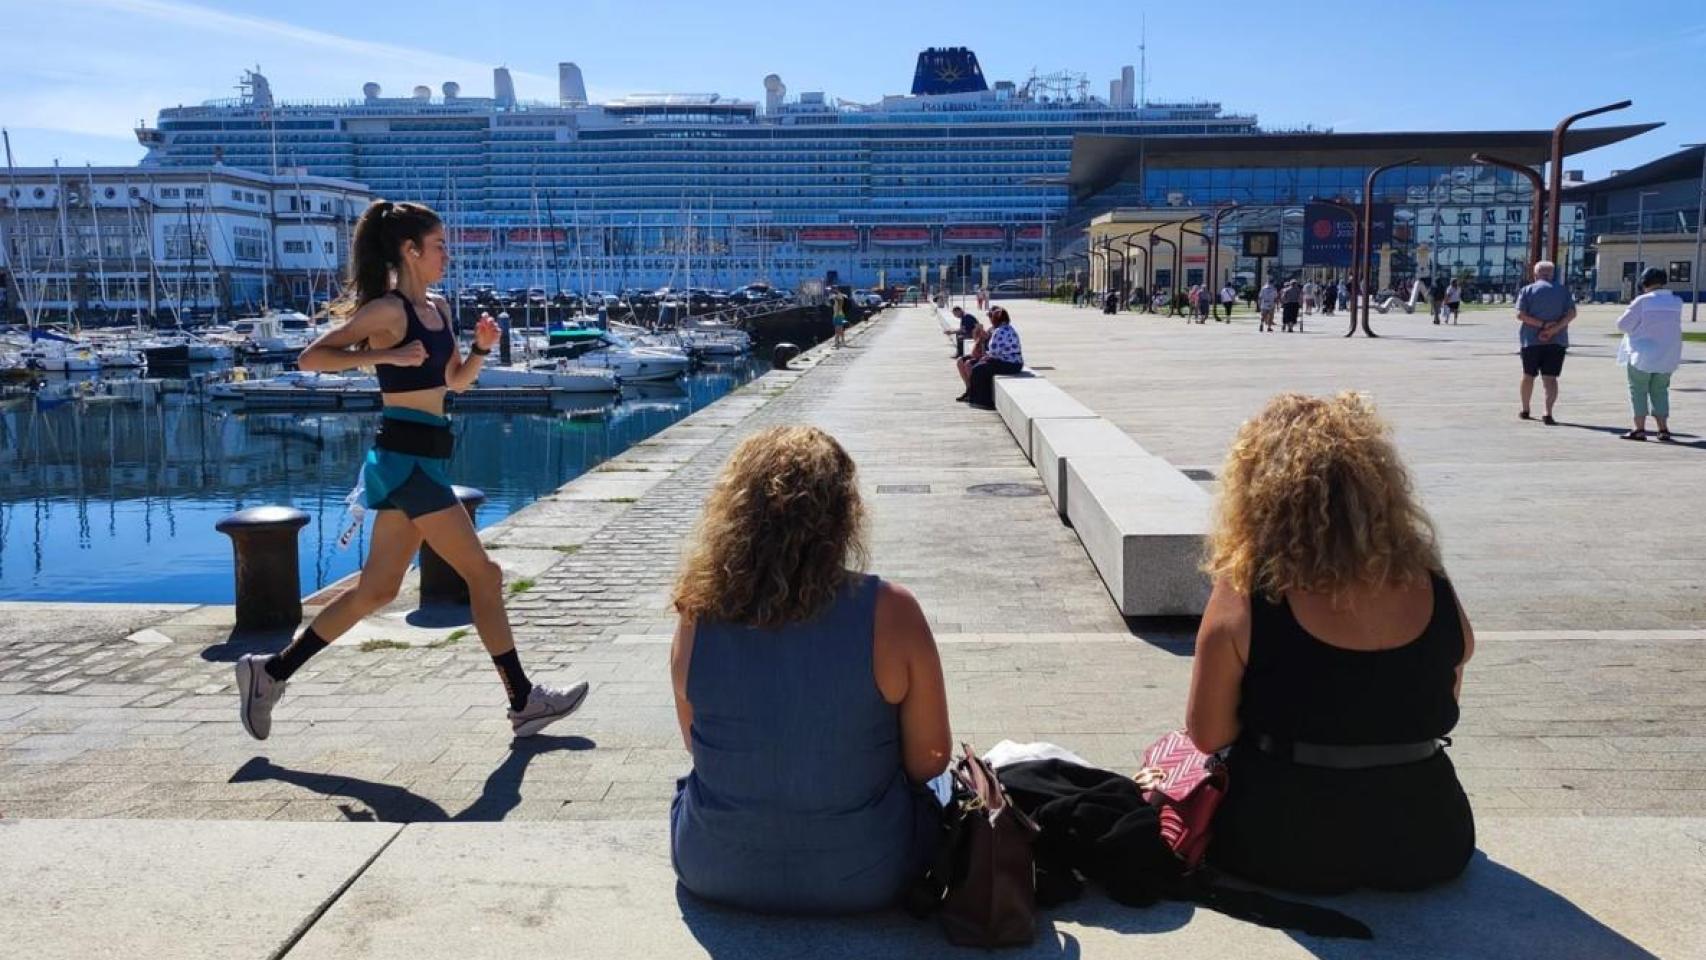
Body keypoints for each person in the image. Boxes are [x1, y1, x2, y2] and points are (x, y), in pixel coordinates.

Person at [235, 200, 588, 741]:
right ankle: (523, 701)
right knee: (484, 574)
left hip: (425, 457)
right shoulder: (388, 312)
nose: (447, 253)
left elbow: (455, 382)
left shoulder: (439, 309)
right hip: (405, 461)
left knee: (375, 592)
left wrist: (479, 350)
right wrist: (381, 359)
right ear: (410, 250)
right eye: (440, 244)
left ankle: (271, 672)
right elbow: (311, 359)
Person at [1186, 392, 1475, 893]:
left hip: (1282, 843)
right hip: (1429, 838)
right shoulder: (1430, 580)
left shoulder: (1246, 591)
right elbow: (1441, 694)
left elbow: (1207, 735)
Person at [670, 426, 951, 914]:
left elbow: (697, 743)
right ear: (843, 516)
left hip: (712, 866)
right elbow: (930, 759)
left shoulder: (697, 615)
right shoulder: (891, 610)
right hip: (868, 871)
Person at [1615, 266, 1685, 442]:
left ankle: (1639, 429)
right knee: (1660, 391)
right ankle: (1663, 429)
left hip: (1642, 355)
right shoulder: (1676, 301)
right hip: (1668, 354)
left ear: (1644, 282)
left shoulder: (1642, 301)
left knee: (1638, 390)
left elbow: (1623, 325)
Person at [1515, 260, 1576, 425]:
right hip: (1557, 341)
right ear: (1552, 274)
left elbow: (1520, 315)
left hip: (1531, 341)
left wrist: (1541, 325)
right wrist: (1553, 330)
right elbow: (1571, 314)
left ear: (1535, 274)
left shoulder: (1527, 290)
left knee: (1528, 376)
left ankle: (1525, 409)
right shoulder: (1563, 291)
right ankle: (1548, 412)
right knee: (1550, 378)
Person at [965, 305, 1023, 409]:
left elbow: (994, 350)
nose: (990, 320)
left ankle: (984, 401)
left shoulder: (1000, 331)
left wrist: (987, 357)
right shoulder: (1008, 328)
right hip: (1013, 362)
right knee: (979, 367)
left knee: (979, 369)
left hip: (1009, 363)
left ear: (996, 319)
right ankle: (977, 398)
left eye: (991, 318)